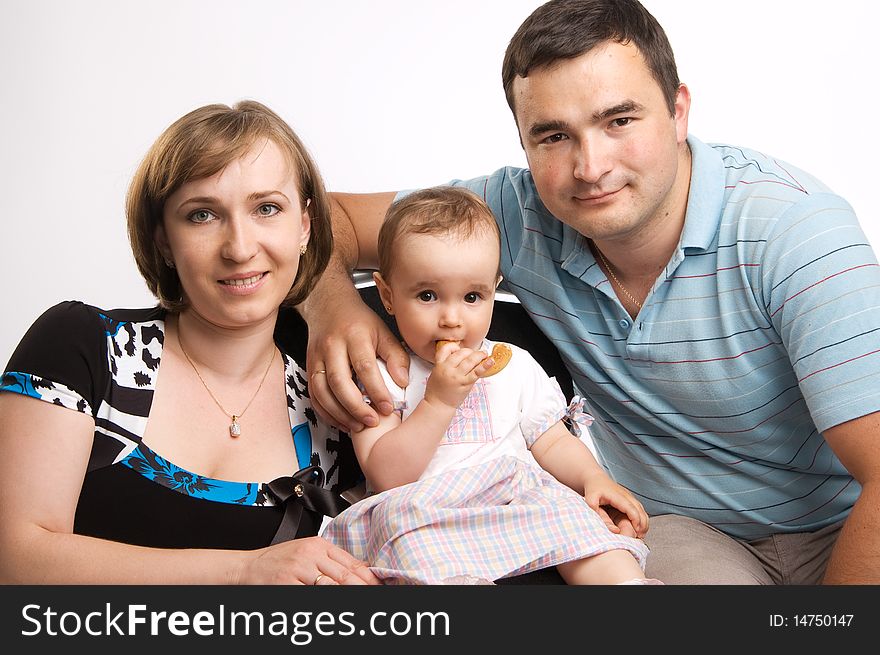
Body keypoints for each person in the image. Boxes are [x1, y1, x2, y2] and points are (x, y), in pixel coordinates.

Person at [299, 0, 880, 584]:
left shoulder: (796, 233)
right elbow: (325, 219)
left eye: (619, 120)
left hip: (843, 524)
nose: (590, 166)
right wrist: (333, 305)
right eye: (553, 136)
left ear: (679, 111)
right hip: (676, 529)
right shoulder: (516, 213)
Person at [0, 100, 378, 585]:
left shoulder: (334, 409)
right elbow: (15, 560)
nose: (240, 247)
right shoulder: (85, 347)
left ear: (304, 227)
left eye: (267, 209)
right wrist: (241, 572)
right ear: (162, 239)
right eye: (202, 215)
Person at [321, 186, 656, 585]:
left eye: (472, 296)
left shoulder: (513, 365)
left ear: (494, 290)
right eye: (427, 295)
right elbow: (386, 476)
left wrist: (593, 479)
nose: (451, 318)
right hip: (426, 511)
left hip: (514, 498)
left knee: (580, 524)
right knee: (410, 547)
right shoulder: (384, 374)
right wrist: (438, 402)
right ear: (388, 295)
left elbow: (549, 442)